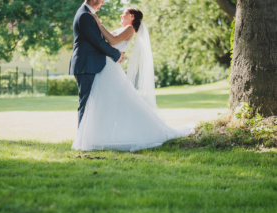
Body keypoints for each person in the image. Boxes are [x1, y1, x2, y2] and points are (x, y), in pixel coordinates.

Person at [71, 4, 195, 152]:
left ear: (132, 17)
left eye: (124, 13)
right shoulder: (124, 28)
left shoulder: (129, 29)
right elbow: (103, 40)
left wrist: (99, 23)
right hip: (106, 65)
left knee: (123, 101)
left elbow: (112, 40)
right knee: (106, 101)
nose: (121, 16)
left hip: (110, 66)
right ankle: (93, 136)